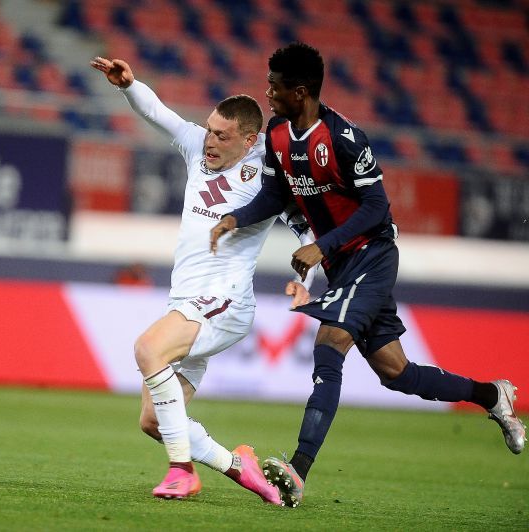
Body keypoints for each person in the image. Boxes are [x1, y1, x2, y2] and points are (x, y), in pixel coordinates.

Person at [209, 42, 526, 508]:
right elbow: (275, 197)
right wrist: (236, 217)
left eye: (274, 86)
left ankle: (297, 470)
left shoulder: (343, 138)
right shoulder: (277, 133)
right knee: (396, 372)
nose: (267, 92)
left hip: (373, 254)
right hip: (342, 264)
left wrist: (323, 244)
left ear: (300, 91)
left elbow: (377, 206)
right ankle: (491, 395)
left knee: (329, 343)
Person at [91, 56, 317, 502]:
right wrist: (129, 86)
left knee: (146, 348)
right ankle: (238, 466)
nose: (209, 140)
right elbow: (160, 115)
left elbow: (310, 229)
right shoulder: (196, 147)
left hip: (224, 301)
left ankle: (182, 471)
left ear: (249, 140)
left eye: (221, 135)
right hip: (188, 303)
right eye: (209, 129)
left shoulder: (266, 178)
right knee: (154, 420)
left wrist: (310, 277)